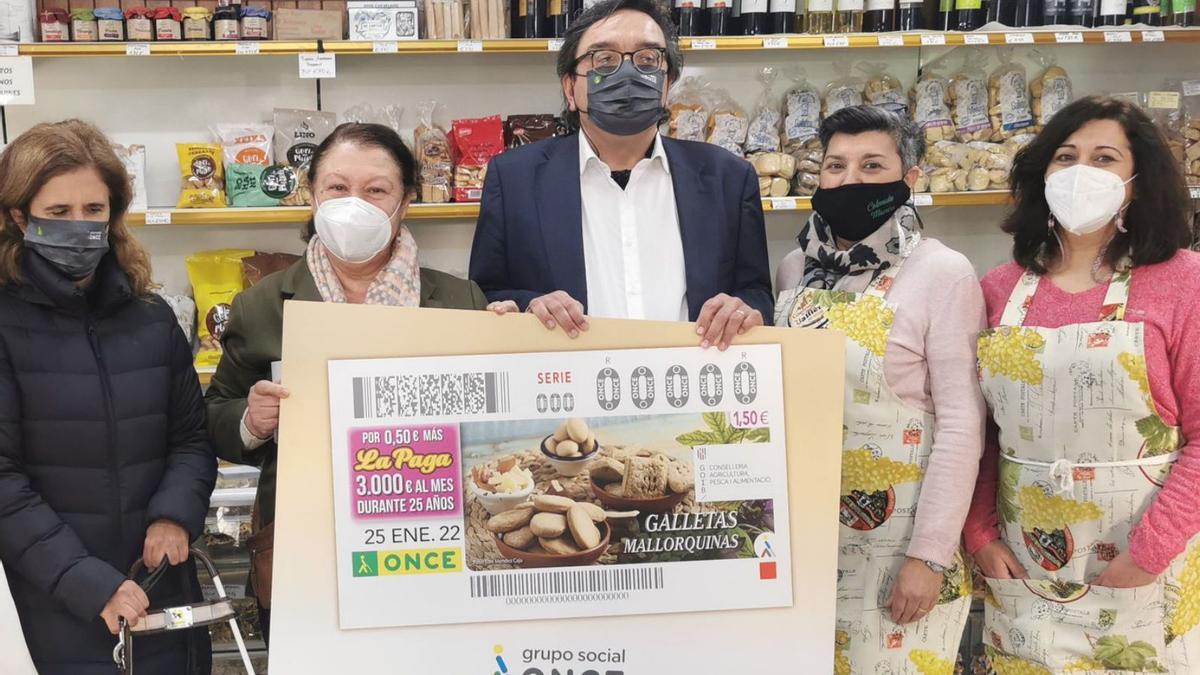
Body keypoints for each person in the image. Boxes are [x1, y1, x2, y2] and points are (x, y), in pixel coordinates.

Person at [205, 122, 489, 640]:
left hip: (430, 540)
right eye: (337, 187)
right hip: (309, 547)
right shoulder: (263, 304)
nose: (352, 203)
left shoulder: (460, 300)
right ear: (311, 194)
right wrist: (250, 420)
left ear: (405, 202)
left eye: (376, 190)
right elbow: (215, 412)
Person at [964, 97, 1200, 671]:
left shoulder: (1183, 282)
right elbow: (983, 436)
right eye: (1065, 157)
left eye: (1103, 158)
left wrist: (1148, 553)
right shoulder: (998, 289)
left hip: (1143, 564)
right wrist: (979, 536)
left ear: (1138, 182)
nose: (1080, 173)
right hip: (1023, 564)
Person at [0, 120, 217, 674]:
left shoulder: (152, 319)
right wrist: (89, 584)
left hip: (160, 588)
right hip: (48, 602)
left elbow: (190, 439)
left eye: (94, 210)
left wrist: (173, 516)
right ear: (20, 216)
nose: (80, 226)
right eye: (59, 212)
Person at [774, 106, 986, 673]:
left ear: (909, 178)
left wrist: (930, 555)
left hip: (896, 539)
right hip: (806, 537)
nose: (850, 180)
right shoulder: (795, 268)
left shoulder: (943, 272)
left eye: (872, 165)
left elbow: (963, 424)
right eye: (836, 165)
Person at [469, 0, 772, 350]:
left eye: (647, 60)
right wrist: (528, 306)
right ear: (570, 88)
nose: (627, 75)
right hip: (568, 391)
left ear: (667, 83)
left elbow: (756, 293)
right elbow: (484, 294)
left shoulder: (729, 179)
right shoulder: (514, 179)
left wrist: (744, 310)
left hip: (694, 393)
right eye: (604, 61)